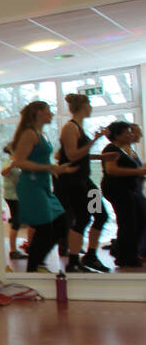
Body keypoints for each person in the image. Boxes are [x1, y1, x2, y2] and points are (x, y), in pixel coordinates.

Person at [9, 101, 76, 272]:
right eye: (49, 111)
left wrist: (55, 169)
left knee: (61, 222)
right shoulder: (29, 134)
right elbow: (20, 162)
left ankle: (37, 262)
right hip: (31, 186)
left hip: (43, 185)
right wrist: (50, 167)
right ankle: (33, 267)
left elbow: (41, 160)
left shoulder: (41, 134)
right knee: (45, 228)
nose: (52, 114)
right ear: (39, 113)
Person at [56, 94, 110, 272]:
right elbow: (72, 156)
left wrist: (100, 156)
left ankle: (90, 256)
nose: (91, 107)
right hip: (73, 182)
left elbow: (75, 154)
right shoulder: (70, 128)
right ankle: (73, 261)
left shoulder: (78, 127)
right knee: (83, 218)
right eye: (90, 104)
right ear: (83, 106)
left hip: (84, 181)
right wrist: (95, 141)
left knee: (101, 215)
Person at [99, 121, 145, 267]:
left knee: (132, 221)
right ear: (117, 135)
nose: (130, 134)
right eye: (127, 132)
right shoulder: (111, 149)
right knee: (127, 222)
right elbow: (111, 170)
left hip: (127, 190)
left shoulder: (121, 150)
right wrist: (138, 172)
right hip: (118, 190)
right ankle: (125, 257)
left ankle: (127, 254)